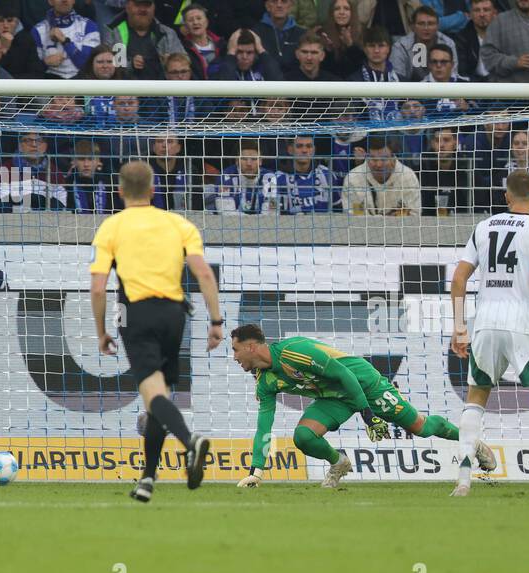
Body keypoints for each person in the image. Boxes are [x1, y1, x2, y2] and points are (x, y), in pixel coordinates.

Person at [89, 161, 225, 502]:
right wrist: (216, 321)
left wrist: (102, 330)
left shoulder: (112, 227)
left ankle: (189, 441)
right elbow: (204, 274)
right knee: (157, 399)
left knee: (153, 396)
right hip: (174, 314)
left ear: (119, 191)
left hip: (137, 313)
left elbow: (97, 286)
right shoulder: (178, 223)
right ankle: (147, 479)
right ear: (153, 190)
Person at [448, 170, 529, 498]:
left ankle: (463, 480)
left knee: (476, 397)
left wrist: (460, 327)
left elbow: (460, 278)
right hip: (523, 323)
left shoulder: (483, 226)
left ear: (506, 195)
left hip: (486, 322)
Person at [230, 324, 463, 490]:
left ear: (250, 347)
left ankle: (469, 440)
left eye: (235, 350)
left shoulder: (295, 351)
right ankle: (338, 463)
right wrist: (256, 472)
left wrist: (368, 414)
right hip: (334, 398)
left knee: (420, 428)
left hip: (364, 383)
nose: (234, 357)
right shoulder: (264, 382)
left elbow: (344, 374)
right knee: (304, 437)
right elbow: (264, 426)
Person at [342, 136, 422, 216]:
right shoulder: (353, 179)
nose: (378, 164)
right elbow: (354, 218)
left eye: (384, 159)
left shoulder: (408, 176)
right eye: (373, 159)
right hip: (364, 228)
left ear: (393, 158)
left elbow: (413, 216)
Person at [33, 0, 101, 80]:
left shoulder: (89, 26)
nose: (64, 0)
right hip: (50, 84)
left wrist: (65, 41)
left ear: (73, 1)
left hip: (82, 83)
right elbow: (32, 71)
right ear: (50, 1)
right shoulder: (37, 30)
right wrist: (45, 63)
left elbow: (87, 65)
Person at [390, 5, 458, 81]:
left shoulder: (448, 43)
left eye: (431, 23)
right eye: (421, 24)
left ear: (437, 26)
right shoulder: (400, 46)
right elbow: (396, 79)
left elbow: (452, 76)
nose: (426, 28)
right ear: (413, 27)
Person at [418, 128, 471, 216]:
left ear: (455, 143)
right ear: (432, 144)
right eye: (437, 141)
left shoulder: (466, 169)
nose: (441, 145)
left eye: (446, 140)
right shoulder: (423, 170)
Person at [283, 134, 337, 214]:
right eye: (299, 146)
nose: (304, 150)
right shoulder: (279, 178)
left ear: (314, 150)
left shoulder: (327, 174)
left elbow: (338, 210)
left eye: (309, 146)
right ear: (290, 150)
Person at [252, 0, 306, 77]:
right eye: (274, 1)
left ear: (291, 6)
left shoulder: (302, 34)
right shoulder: (255, 33)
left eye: (284, 1)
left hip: (295, 83)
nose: (279, 5)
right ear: (267, 6)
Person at [65, 139, 115, 214]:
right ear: (74, 161)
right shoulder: (67, 185)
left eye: (90, 159)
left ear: (98, 161)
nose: (86, 164)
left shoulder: (110, 184)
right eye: (81, 159)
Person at [453, 0, 495, 82]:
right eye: (477, 10)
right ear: (470, 14)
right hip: (473, 87)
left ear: (494, 13)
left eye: (486, 10)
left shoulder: (503, 35)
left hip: (501, 86)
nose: (482, 14)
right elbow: (462, 72)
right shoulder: (461, 37)